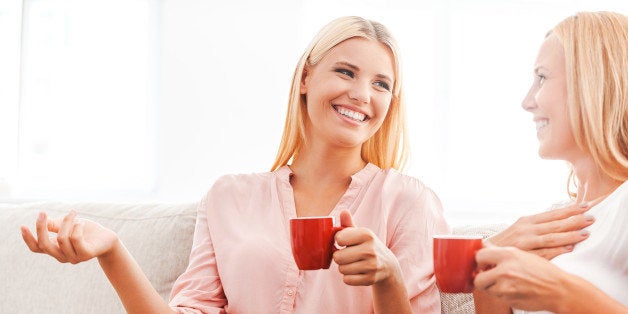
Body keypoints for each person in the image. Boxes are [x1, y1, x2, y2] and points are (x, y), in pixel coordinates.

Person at [21, 16, 450, 313]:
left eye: (381, 84)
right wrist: (113, 250)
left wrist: (388, 277)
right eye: (345, 72)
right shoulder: (230, 197)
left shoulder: (410, 203)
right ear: (305, 79)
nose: (361, 94)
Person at [473, 11, 628, 314]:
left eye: (542, 77)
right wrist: (485, 264)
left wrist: (561, 292)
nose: (527, 101)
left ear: (592, 84)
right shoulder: (552, 221)